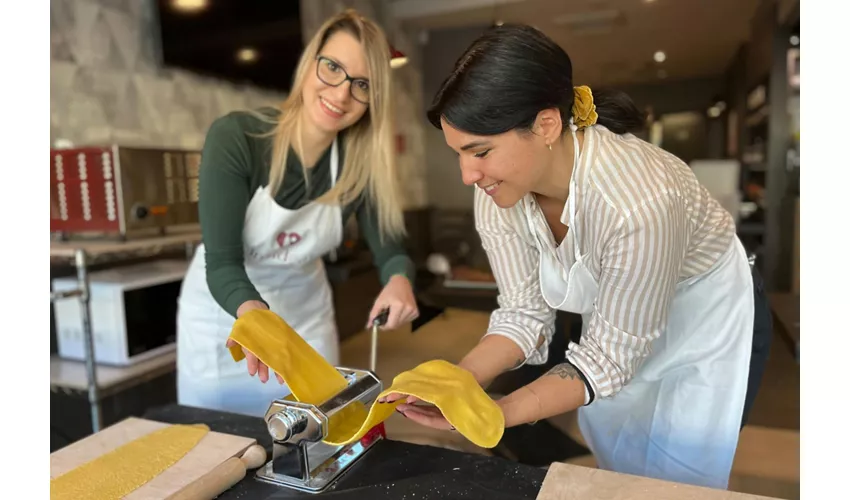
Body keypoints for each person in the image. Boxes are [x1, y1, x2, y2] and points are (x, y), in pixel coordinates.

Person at [384, 24, 772, 490]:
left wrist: (496, 414)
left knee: (679, 480)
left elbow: (607, 358)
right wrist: (458, 386)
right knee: (622, 461)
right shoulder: (497, 191)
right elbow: (524, 314)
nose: (468, 174)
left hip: (705, 319)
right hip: (621, 321)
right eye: (459, 154)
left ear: (546, 125)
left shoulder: (638, 200)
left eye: (480, 151)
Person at [177, 9, 420, 418]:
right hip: (228, 321)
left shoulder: (361, 164)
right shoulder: (238, 137)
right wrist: (254, 319)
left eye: (362, 84)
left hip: (306, 320)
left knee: (317, 435)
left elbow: (389, 248)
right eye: (333, 68)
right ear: (310, 63)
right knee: (220, 446)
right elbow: (221, 264)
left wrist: (399, 280)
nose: (341, 94)